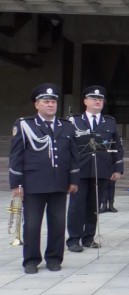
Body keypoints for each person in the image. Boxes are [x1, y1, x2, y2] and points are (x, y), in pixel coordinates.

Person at [9, 83, 80, 274]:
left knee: (57, 223)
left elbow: (73, 155)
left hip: (59, 182)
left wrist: (74, 180)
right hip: (33, 183)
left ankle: (54, 258)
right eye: (46, 101)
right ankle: (31, 260)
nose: (50, 105)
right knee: (32, 224)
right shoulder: (25, 125)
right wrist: (16, 183)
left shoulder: (66, 126)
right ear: (37, 105)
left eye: (53, 102)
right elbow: (16, 156)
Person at [66, 85, 124, 253]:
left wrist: (118, 168)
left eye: (100, 99)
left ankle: (89, 237)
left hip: (101, 168)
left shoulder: (109, 122)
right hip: (80, 170)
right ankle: (74, 239)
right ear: (85, 101)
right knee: (76, 206)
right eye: (93, 98)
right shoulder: (74, 121)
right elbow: (67, 147)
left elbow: (117, 147)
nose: (97, 101)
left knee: (94, 205)